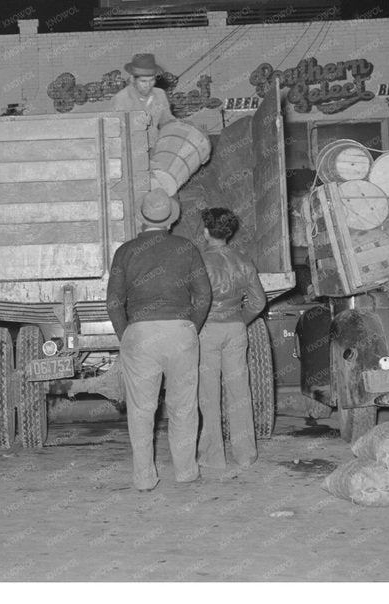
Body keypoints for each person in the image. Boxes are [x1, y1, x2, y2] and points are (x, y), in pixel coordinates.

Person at [106, 190, 212, 491]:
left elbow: (114, 301)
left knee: (141, 410)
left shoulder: (125, 252)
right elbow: (203, 294)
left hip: (140, 334)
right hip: (180, 331)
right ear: (171, 218)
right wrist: (192, 325)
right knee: (184, 406)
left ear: (142, 219)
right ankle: (186, 471)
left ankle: (144, 478)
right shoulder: (186, 248)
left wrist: (126, 333)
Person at [195, 207, 268, 476]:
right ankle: (246, 454)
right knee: (240, 391)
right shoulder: (243, 259)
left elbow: (194, 301)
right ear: (229, 232)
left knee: (208, 394)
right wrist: (240, 319)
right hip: (236, 329)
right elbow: (259, 302)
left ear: (206, 232)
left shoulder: (199, 261)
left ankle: (213, 457)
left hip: (208, 330)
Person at [109, 52, 176, 151]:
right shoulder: (121, 99)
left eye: (151, 80)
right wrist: (135, 124)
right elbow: (113, 131)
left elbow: (167, 122)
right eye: (143, 81)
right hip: (130, 154)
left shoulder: (160, 95)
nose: (148, 85)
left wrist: (178, 127)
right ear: (132, 79)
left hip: (156, 150)